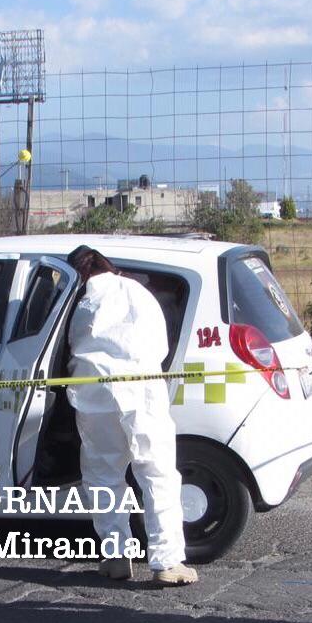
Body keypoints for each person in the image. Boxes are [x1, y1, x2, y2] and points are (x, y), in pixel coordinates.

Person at [65, 245, 197, 586]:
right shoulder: (138, 292)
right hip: (143, 390)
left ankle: (115, 558)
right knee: (156, 473)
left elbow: (69, 344)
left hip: (94, 394)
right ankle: (167, 563)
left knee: (103, 475)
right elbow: (160, 345)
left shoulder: (78, 300)